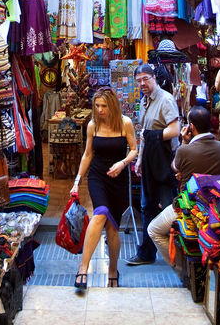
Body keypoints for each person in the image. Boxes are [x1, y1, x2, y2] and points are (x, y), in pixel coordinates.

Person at [148, 106, 220, 275]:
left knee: (154, 230)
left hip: (188, 206)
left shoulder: (184, 150)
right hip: (217, 207)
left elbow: (175, 167)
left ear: (191, 127)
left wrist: (184, 143)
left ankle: (183, 270)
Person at [71, 88, 138, 290]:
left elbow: (134, 149)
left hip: (117, 180)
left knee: (112, 228)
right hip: (98, 176)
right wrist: (77, 180)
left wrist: (123, 163)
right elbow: (88, 154)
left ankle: (112, 269)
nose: (100, 110)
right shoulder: (93, 125)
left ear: (113, 105)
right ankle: (83, 268)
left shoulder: (125, 123)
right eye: (97, 106)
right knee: (99, 214)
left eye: (104, 106)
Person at [126, 64, 180, 266]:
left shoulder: (165, 99)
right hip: (150, 159)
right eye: (139, 80)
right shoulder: (145, 101)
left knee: (168, 208)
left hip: (164, 162)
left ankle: (178, 252)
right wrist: (140, 159)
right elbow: (144, 134)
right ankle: (147, 252)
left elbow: (175, 130)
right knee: (147, 206)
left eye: (145, 79)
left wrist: (153, 136)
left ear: (154, 77)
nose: (142, 83)